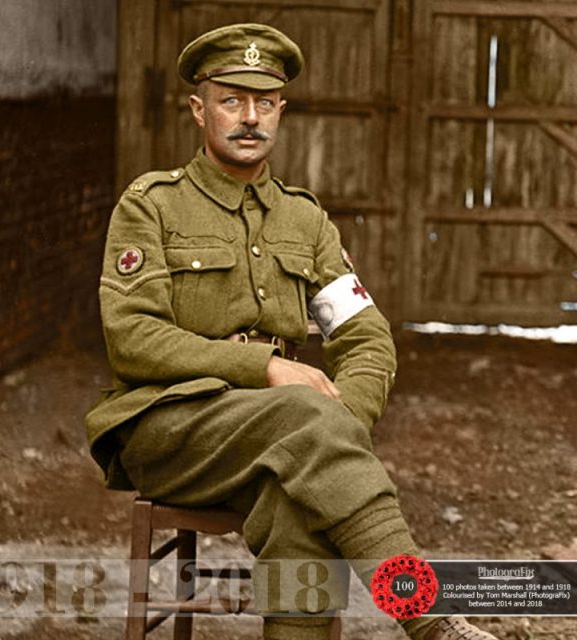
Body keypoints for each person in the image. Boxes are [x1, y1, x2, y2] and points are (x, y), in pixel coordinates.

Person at [85, 23, 500, 640]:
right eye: (232, 100)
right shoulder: (152, 205)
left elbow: (366, 338)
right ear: (199, 109)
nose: (249, 118)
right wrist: (267, 369)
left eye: (264, 102)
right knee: (306, 428)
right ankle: (428, 618)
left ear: (282, 109)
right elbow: (133, 338)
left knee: (300, 499)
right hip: (169, 428)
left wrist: (342, 420)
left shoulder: (304, 221)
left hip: (284, 435)